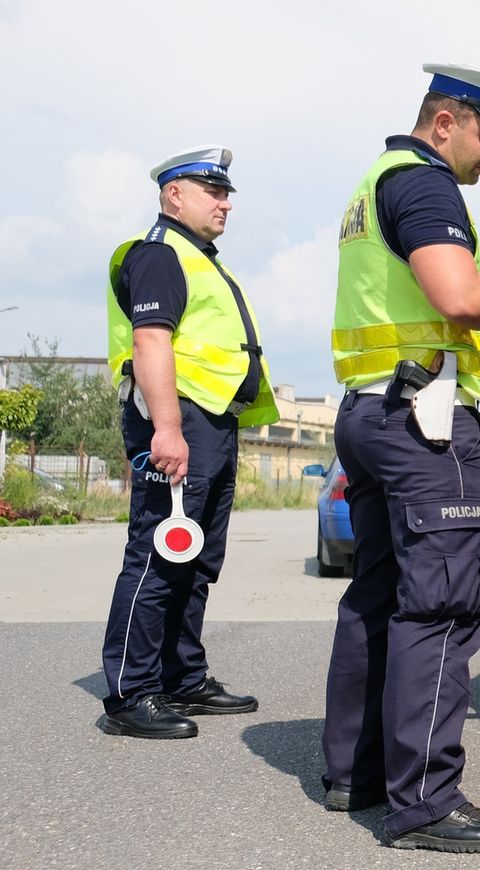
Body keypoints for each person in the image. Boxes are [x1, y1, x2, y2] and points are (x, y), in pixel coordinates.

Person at [322, 64, 480, 854]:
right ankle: (425, 804)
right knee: (442, 606)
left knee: (379, 592)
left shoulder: (375, 186)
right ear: (446, 122)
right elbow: (457, 297)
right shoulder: (428, 187)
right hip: (423, 423)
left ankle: (354, 774)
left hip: (369, 410)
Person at [99, 146, 279, 739]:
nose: (225, 203)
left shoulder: (199, 258)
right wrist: (167, 429)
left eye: (226, 193)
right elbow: (152, 343)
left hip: (212, 422)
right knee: (158, 553)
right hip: (179, 422)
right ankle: (132, 692)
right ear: (174, 194)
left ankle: (181, 677)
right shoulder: (158, 254)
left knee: (197, 559)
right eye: (213, 192)